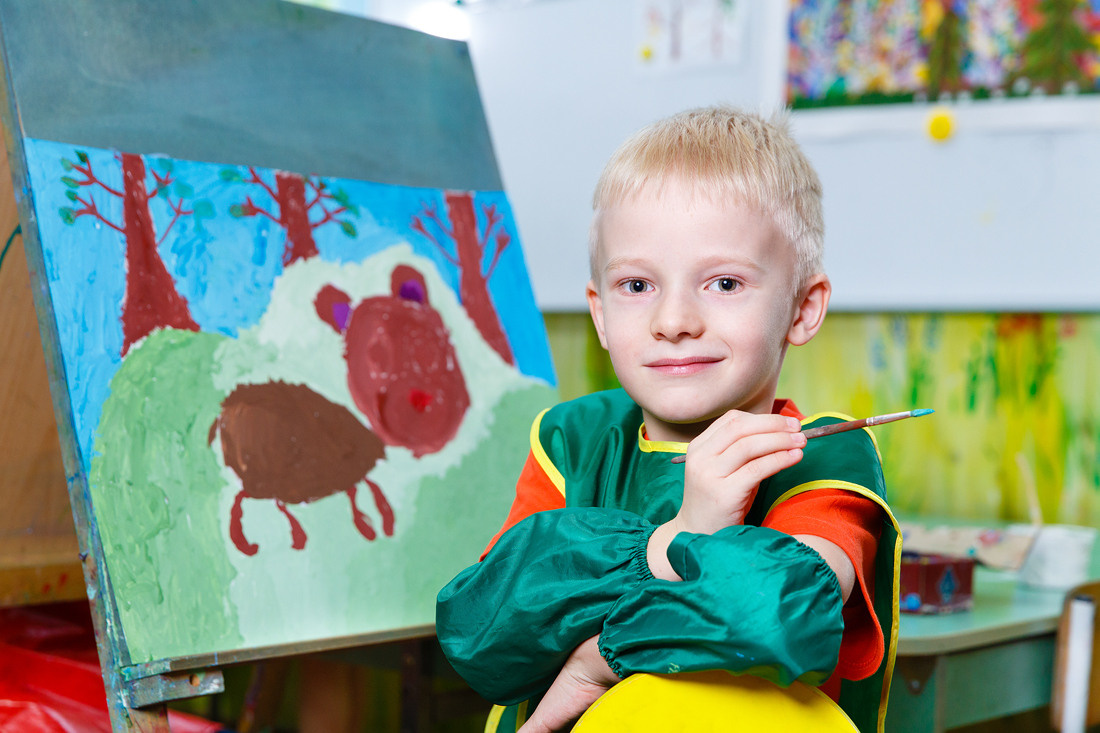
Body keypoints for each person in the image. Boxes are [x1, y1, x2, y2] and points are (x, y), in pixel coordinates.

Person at [436, 106, 900, 733]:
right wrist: (676, 537)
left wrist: (598, 660)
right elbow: (480, 628)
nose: (674, 320)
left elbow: (781, 615)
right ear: (599, 314)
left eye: (726, 283)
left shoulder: (822, 454)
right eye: (636, 286)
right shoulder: (569, 440)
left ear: (802, 308)